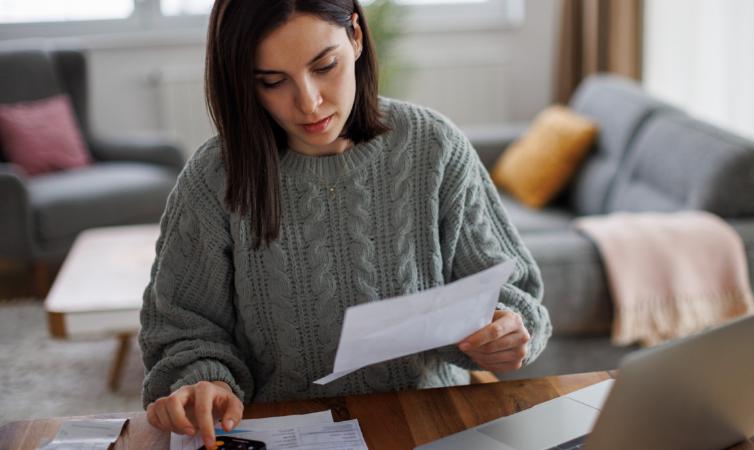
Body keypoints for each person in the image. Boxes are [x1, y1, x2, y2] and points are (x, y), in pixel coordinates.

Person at [140, 0, 551, 447]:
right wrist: (206, 382)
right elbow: (181, 328)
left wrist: (509, 327)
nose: (309, 102)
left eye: (325, 66)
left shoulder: (434, 147)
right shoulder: (215, 178)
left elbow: (515, 289)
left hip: (429, 425)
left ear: (355, 37)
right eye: (273, 81)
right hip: (278, 432)